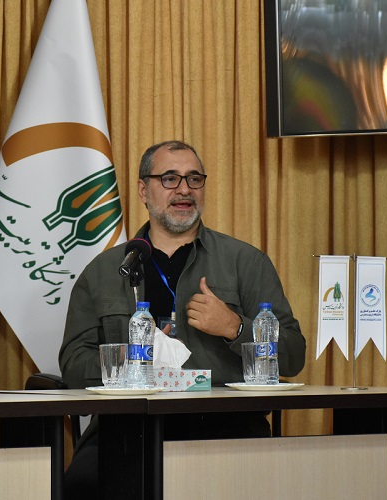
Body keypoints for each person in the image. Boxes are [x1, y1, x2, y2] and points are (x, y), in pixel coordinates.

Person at [59, 140, 307, 498]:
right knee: (82, 485)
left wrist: (235, 328)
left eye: (194, 179)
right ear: (143, 191)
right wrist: (135, 360)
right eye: (169, 178)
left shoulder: (246, 262)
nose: (184, 190)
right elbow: (72, 364)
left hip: (226, 425)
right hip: (128, 428)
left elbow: (294, 355)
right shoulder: (104, 271)